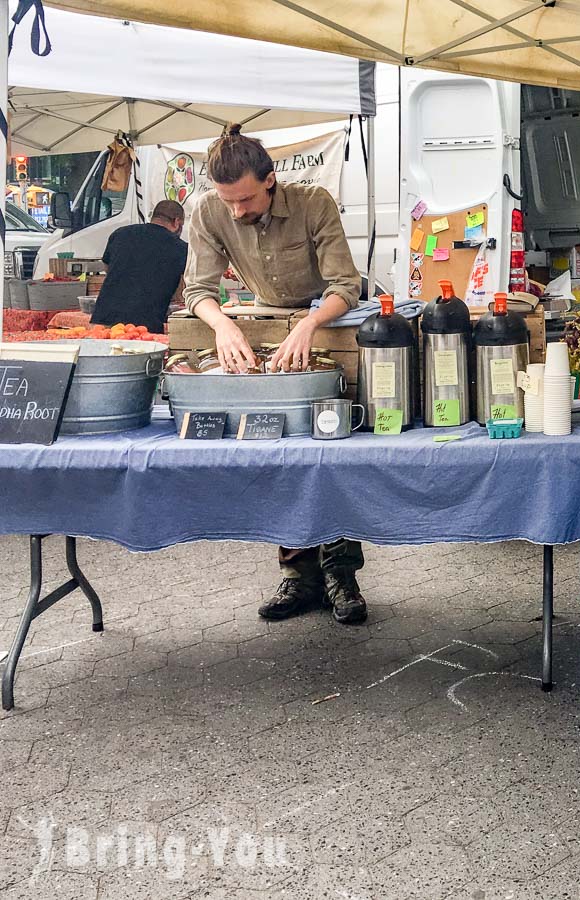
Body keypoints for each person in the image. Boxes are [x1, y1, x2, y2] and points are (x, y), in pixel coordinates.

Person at [183, 124, 369, 626]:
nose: (237, 212)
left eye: (245, 200)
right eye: (229, 203)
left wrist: (310, 323)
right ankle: (299, 576)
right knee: (281, 455)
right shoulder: (208, 210)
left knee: (330, 454)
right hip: (263, 329)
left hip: (328, 326)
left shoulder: (315, 203)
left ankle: (341, 574)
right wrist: (221, 325)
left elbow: (346, 286)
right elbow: (197, 289)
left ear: (270, 180)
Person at [91, 200, 187, 333]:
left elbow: (107, 267)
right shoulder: (181, 248)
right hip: (144, 324)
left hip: (104, 318)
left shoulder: (120, 234)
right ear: (177, 222)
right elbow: (188, 282)